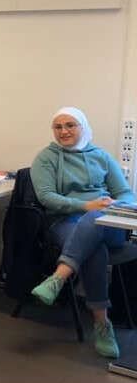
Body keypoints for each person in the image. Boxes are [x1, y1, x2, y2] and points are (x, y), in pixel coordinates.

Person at [29, 107, 133, 359]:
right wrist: (86, 206)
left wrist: (111, 205)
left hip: (107, 222)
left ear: (82, 127)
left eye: (70, 125)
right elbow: (46, 197)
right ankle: (102, 324)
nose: (63, 131)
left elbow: (127, 194)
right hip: (64, 222)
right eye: (58, 127)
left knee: (95, 221)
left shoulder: (101, 156)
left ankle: (58, 277)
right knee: (94, 248)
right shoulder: (46, 158)